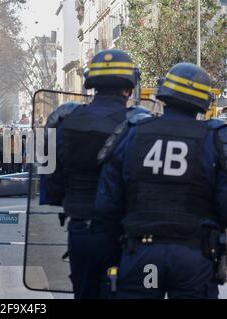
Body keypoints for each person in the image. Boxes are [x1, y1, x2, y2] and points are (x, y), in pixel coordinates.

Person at [96, 62, 227, 299]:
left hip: (142, 252)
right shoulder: (215, 139)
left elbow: (107, 203)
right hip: (194, 256)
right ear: (204, 101)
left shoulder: (133, 132)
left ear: (163, 92)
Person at [44, 49, 144, 299]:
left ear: (91, 83)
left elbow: (51, 177)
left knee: (84, 291)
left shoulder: (65, 120)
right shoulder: (139, 123)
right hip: (126, 231)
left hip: (82, 226)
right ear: (129, 87)